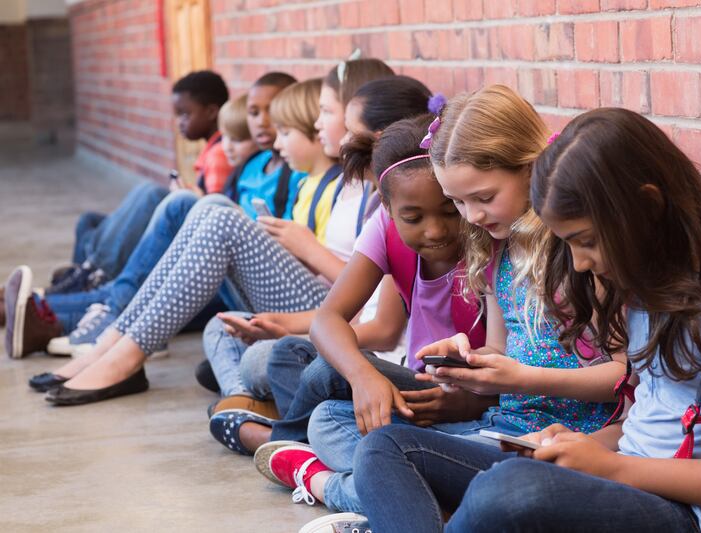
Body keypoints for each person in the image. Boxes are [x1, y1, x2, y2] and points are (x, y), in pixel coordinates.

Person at [352, 107, 701, 533]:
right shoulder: (650, 281)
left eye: (585, 241)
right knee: (387, 448)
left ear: (648, 206)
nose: (580, 264)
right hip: (619, 473)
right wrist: (579, 448)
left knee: (506, 491)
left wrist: (612, 465)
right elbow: (648, 420)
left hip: (683, 514)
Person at [279, 87, 623, 532]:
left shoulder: (577, 253)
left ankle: (343, 490)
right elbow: (501, 353)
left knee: (384, 452)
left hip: (559, 439)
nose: (471, 217)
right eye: (460, 202)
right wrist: (471, 364)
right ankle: (416, 503)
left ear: (530, 167)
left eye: (481, 198)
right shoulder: (500, 250)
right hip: (503, 425)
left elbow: (625, 378)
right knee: (333, 420)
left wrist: (522, 378)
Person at [30, 78, 338, 403]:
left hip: (325, 311)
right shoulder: (306, 183)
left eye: (326, 114)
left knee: (219, 219)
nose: (274, 136)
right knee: (206, 205)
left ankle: (119, 351)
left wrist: (307, 248)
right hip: (292, 297)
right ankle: (113, 341)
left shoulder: (349, 188)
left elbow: (367, 287)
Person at [204, 76, 433, 447]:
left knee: (279, 362)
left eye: (345, 127)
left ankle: (285, 433)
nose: (340, 140)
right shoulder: (383, 212)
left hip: (388, 359)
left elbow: (384, 329)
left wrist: (308, 255)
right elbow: (334, 315)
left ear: (380, 138)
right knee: (231, 337)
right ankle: (270, 414)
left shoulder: (404, 216)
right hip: (360, 350)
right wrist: (288, 327)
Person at [7, 72, 298, 360]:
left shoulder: (296, 174)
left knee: (165, 215)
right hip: (221, 267)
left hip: (248, 284)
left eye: (271, 113)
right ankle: (38, 311)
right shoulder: (253, 165)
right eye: (254, 112)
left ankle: (40, 308)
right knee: (124, 278)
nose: (262, 121)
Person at [52, 70, 233, 294]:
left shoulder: (219, 154)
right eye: (177, 115)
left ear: (211, 111)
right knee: (88, 221)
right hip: (192, 225)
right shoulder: (211, 150)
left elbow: (217, 209)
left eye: (185, 114)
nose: (179, 123)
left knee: (153, 194)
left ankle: (95, 274)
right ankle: (84, 277)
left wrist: (188, 196)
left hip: (198, 239)